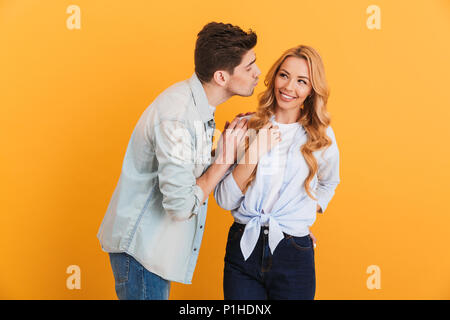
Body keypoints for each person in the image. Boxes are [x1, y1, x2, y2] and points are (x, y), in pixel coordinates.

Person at [97, 22, 261, 300]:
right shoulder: (178, 116)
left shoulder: (196, 110)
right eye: (249, 67)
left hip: (152, 253)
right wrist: (225, 158)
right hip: (142, 255)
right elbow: (181, 205)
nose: (258, 73)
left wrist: (225, 146)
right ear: (222, 77)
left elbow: (187, 173)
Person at [214, 45, 340, 300]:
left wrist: (302, 211)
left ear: (311, 90)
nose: (289, 87)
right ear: (274, 78)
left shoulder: (321, 136)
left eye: (301, 81)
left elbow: (330, 182)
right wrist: (255, 150)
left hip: (294, 252)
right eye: (284, 75)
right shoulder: (245, 125)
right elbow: (224, 199)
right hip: (243, 248)